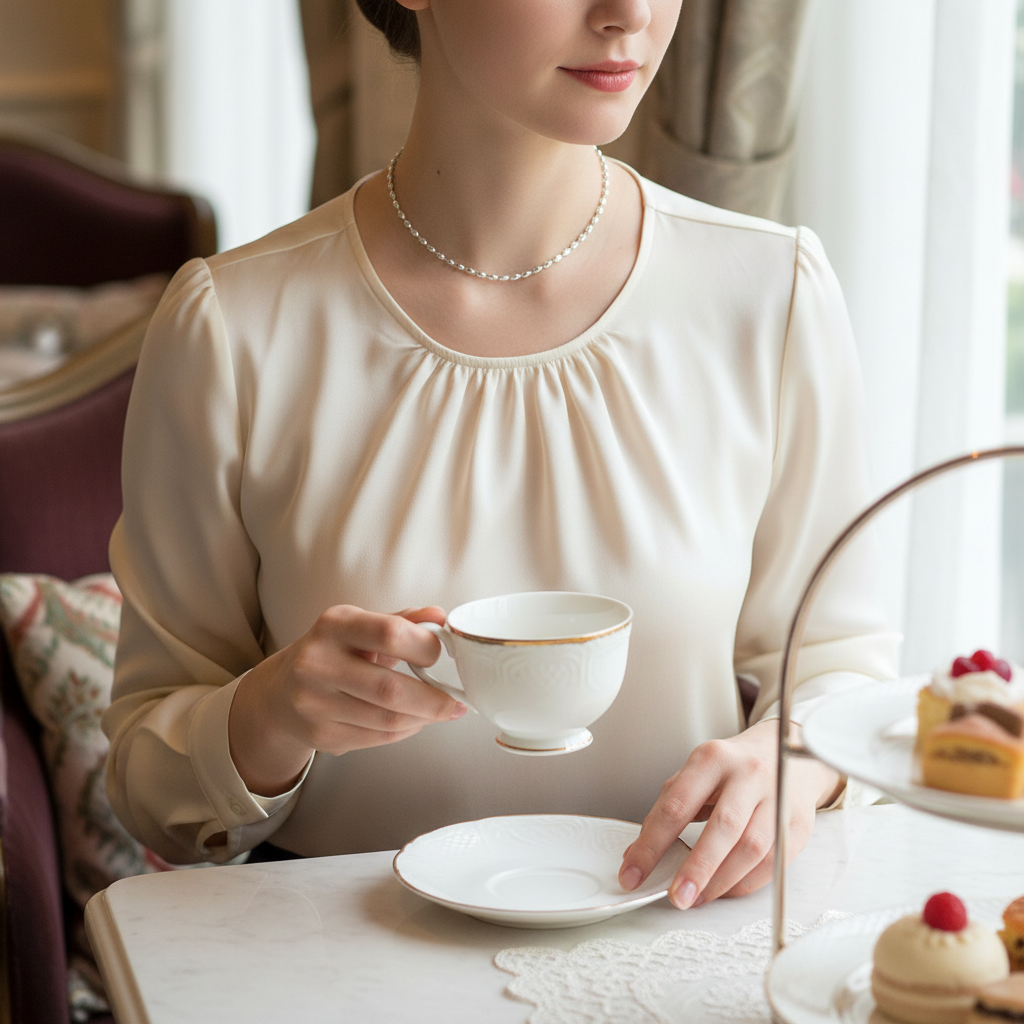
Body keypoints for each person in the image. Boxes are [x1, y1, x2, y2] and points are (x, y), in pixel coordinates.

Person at [103, 0, 899, 911]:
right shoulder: (231, 326)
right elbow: (150, 785)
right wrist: (271, 714)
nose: (630, 14)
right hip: (343, 975)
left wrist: (793, 756)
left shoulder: (772, 293)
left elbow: (840, 664)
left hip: (680, 954)